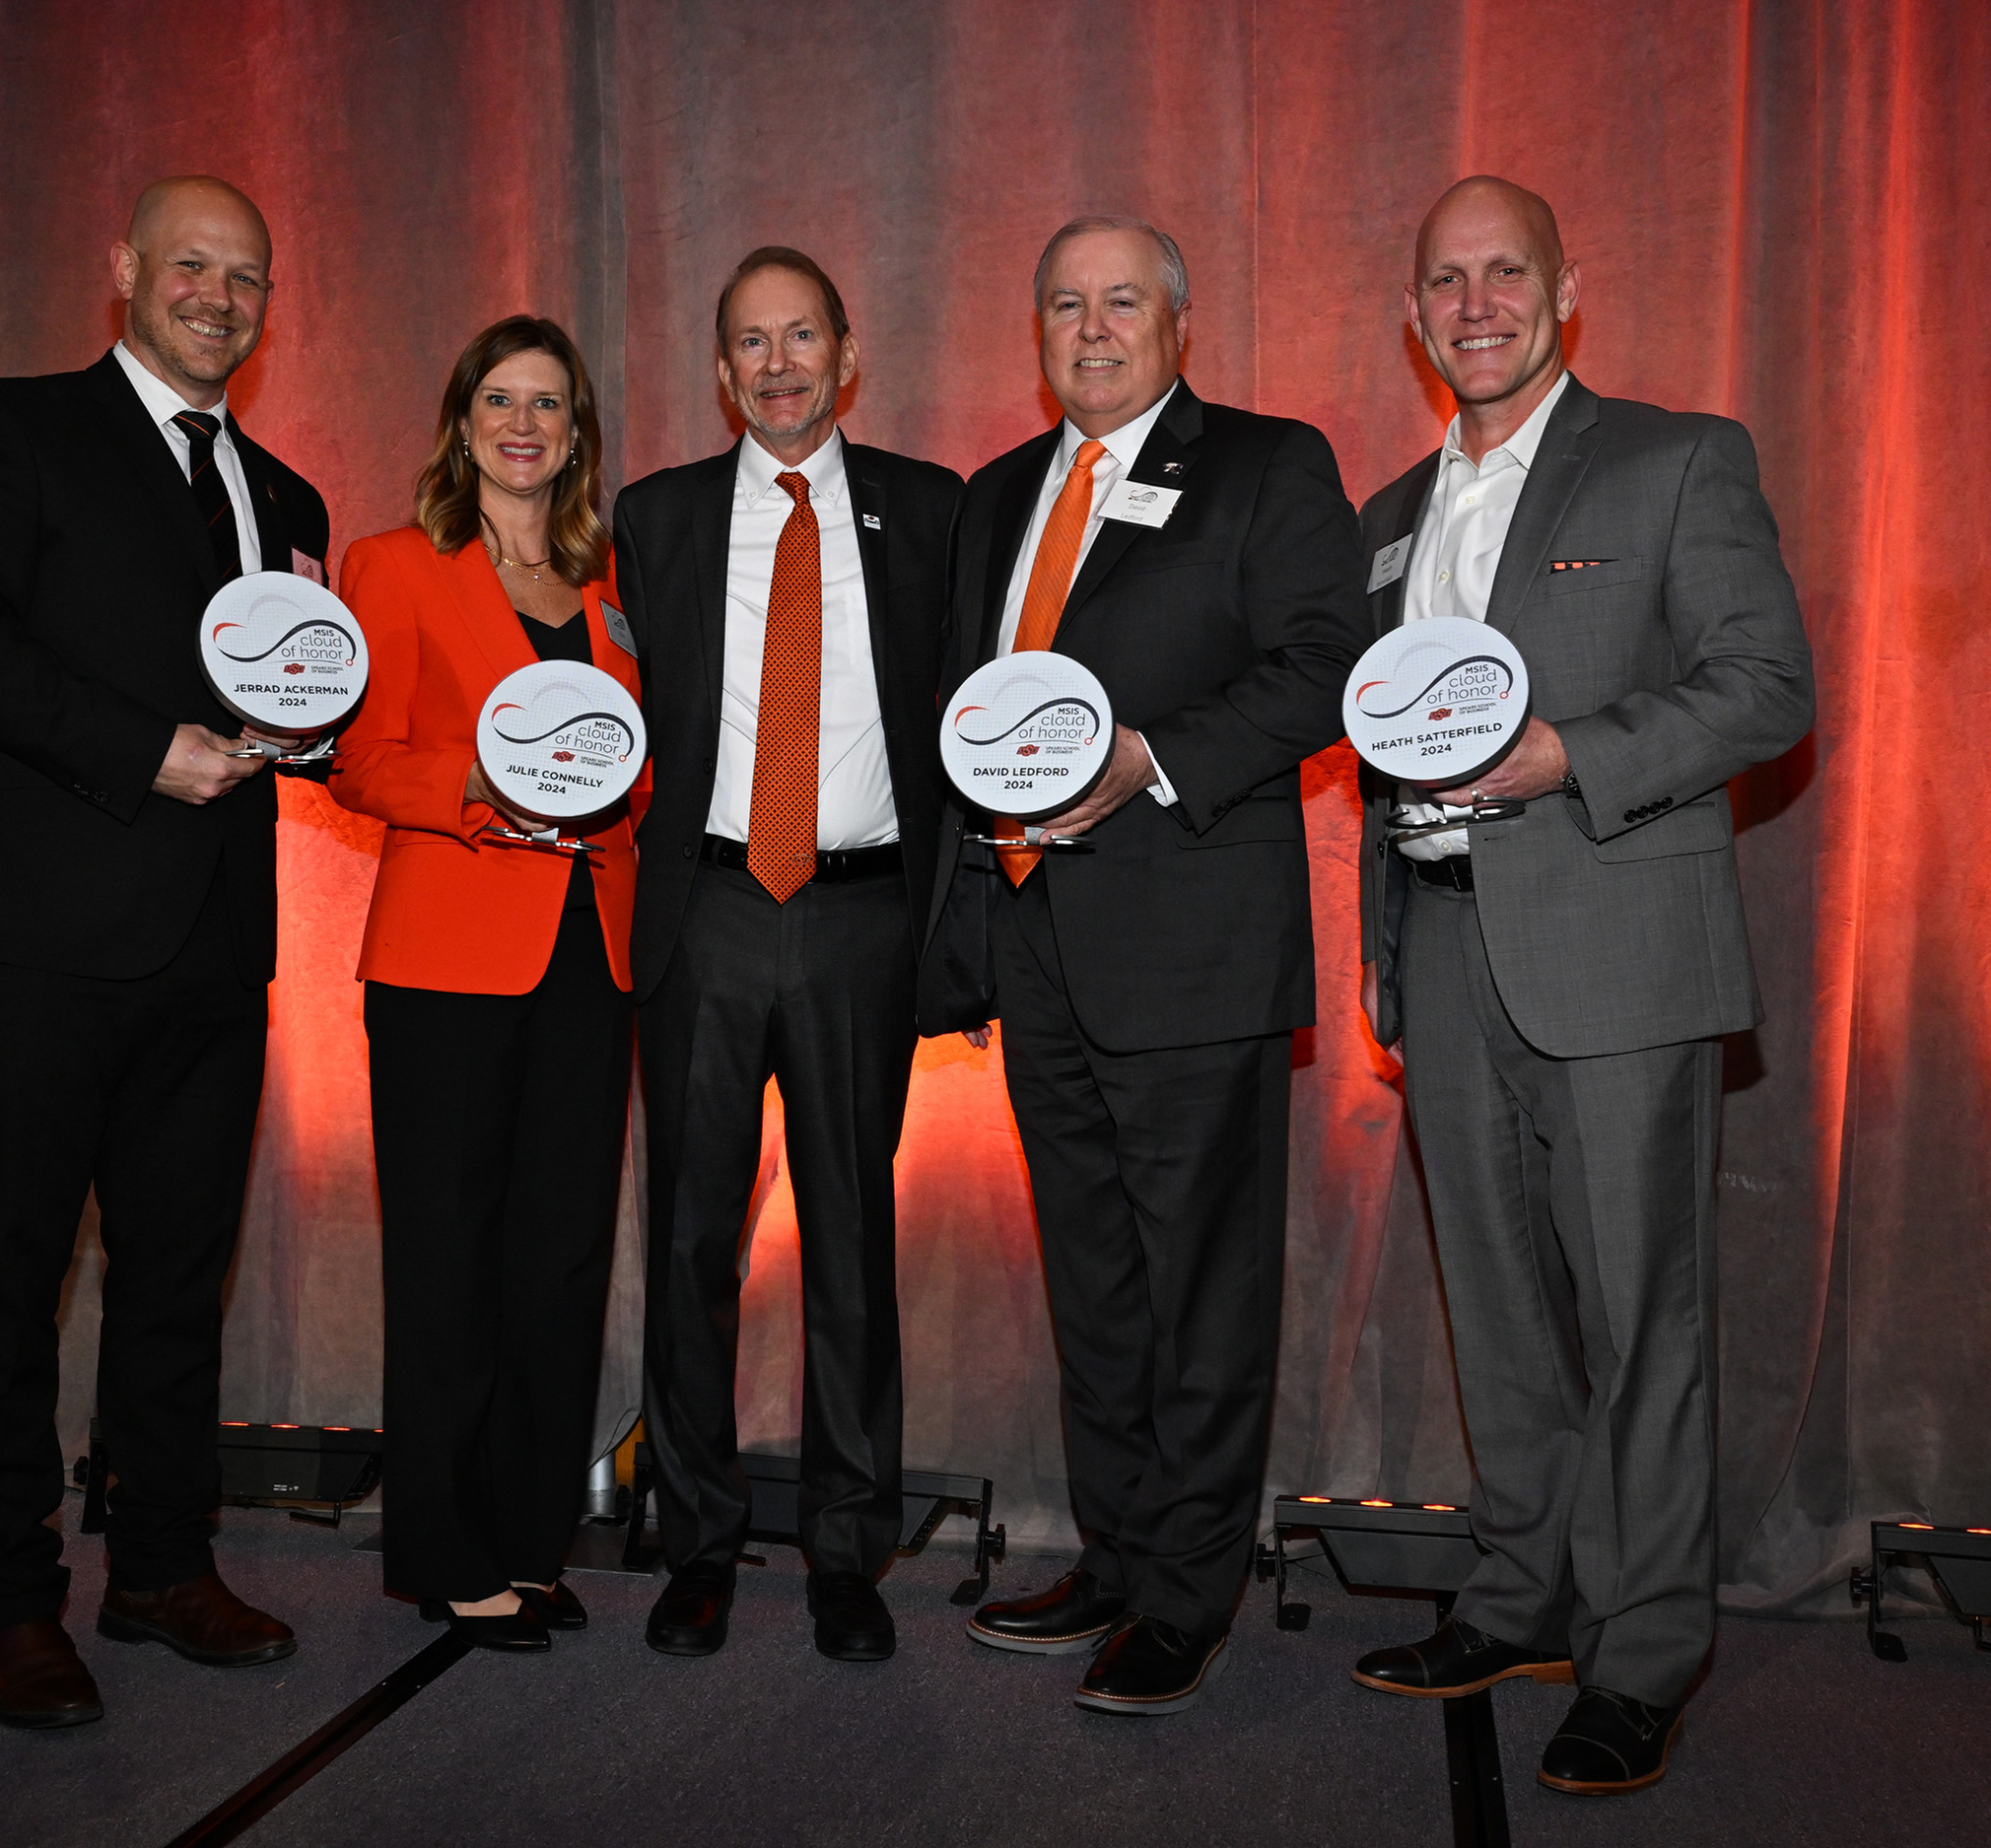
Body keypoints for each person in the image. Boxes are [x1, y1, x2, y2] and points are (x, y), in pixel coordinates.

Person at [1350, 176, 1813, 1795]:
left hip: (1621, 955)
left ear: (1566, 289)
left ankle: (1641, 1655)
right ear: (1414, 318)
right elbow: (1380, 746)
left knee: (1644, 1322)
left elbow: (1765, 687)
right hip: (1447, 955)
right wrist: (1384, 959)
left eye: (1505, 273)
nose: (1476, 303)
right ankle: (1519, 1597)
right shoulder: (1388, 512)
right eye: (1445, 281)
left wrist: (1573, 758)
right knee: (1501, 1317)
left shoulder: (1681, 458)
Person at [0, 175, 327, 1728]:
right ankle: (6, 1596)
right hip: (32, 935)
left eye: (247, 276)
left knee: (175, 1275)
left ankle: (159, 1563)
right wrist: (144, 751)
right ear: (126, 270)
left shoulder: (290, 498)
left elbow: (291, 702)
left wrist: (335, 738)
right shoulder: (4, 426)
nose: (219, 294)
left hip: (214, 944)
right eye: (193, 264)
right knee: (9, 1264)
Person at [928, 216, 1367, 1716]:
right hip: (1039, 939)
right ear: (1036, 327)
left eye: (1124, 302)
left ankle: (1190, 1591)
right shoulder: (997, 498)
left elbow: (1325, 665)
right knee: (1099, 1280)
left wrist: (1154, 763)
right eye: (1066, 303)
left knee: (1203, 1285)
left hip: (1192, 949)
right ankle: (1116, 1554)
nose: (1094, 328)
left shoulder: (1265, 464)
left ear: (1180, 322)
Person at [611, 247, 960, 1663]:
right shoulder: (654, 517)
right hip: (700, 914)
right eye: (749, 344)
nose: (777, 366)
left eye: (799, 336)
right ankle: (693, 1542)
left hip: (863, 917)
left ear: (847, 352)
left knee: (851, 1238)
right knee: (691, 1237)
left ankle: (846, 1549)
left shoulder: (932, 510)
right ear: (721, 372)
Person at [328, 316, 640, 1652]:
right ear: (461, 424)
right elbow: (353, 760)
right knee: (450, 1259)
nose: (526, 426)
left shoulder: (613, 579)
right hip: (448, 957)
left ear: (578, 436)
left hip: (595, 950)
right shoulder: (393, 567)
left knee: (561, 1260)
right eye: (502, 402)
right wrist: (466, 781)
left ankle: (526, 1534)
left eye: (551, 408)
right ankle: (442, 1551)